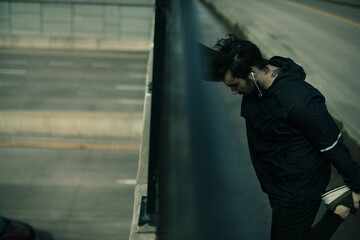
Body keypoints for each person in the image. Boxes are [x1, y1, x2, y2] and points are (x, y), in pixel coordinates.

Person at [201, 34, 360, 239]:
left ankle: (339, 211)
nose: (233, 92)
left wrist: (356, 184)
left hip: (298, 190)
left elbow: (332, 144)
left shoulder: (300, 101)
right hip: (276, 184)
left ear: (252, 73)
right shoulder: (248, 71)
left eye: (234, 85)